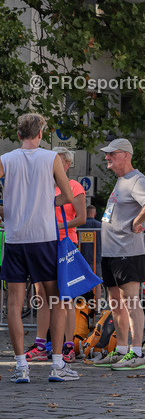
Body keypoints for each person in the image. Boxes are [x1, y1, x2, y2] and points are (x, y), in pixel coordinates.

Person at [0, 114, 78, 382]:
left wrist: (5, 208)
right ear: (41, 134)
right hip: (44, 237)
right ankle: (57, 364)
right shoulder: (51, 158)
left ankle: (21, 366)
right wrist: (47, 204)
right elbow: (68, 195)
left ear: (18, 134)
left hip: (15, 238)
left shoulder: (6, 159)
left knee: (13, 303)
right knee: (56, 300)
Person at [95, 138, 145, 370]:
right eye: (107, 154)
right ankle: (121, 350)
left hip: (127, 252)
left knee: (131, 302)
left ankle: (137, 352)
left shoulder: (136, 179)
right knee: (115, 303)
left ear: (125, 155)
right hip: (111, 252)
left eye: (112, 154)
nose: (107, 157)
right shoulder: (122, 180)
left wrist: (137, 221)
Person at [26, 148, 87, 365]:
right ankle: (41, 345)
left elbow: (82, 218)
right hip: (43, 244)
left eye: (57, 162)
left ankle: (68, 346)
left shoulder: (74, 186)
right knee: (41, 294)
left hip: (64, 244)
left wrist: (57, 226)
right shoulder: (43, 186)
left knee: (65, 296)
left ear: (67, 165)